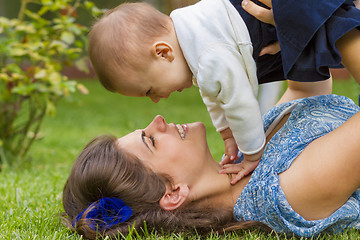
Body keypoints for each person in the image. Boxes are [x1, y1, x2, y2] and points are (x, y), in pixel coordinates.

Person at [87, 0, 360, 181]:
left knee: (336, 26)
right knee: (302, 60)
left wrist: (252, 154)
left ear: (163, 52)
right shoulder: (191, 39)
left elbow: (239, 101)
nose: (158, 99)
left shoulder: (208, 56)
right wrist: (227, 134)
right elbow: (213, 94)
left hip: (278, 8)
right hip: (262, 25)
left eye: (149, 90)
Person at [63, 87, 360, 239]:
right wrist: (340, 26)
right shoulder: (286, 191)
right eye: (151, 140)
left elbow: (306, 88)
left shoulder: (249, 154)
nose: (158, 120)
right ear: (173, 192)